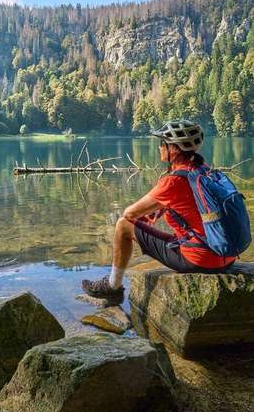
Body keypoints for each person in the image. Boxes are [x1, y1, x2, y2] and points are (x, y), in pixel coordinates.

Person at [83, 119, 237, 304]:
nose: (159, 147)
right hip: (226, 255)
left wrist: (150, 212)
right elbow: (191, 203)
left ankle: (112, 286)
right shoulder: (203, 170)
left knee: (123, 225)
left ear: (174, 149)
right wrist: (162, 207)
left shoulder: (173, 181)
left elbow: (129, 214)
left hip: (200, 259)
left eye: (162, 143)